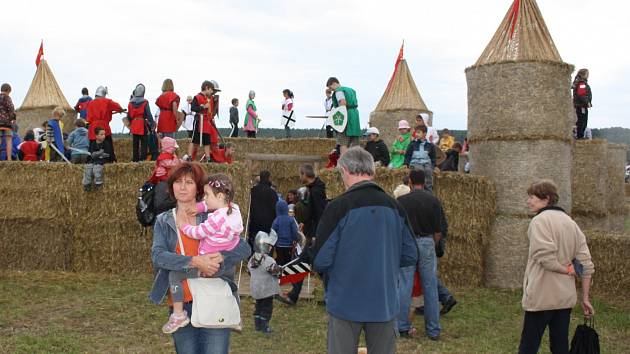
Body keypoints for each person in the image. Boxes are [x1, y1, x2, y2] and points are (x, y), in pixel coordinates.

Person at [307, 147, 417, 354]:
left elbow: (320, 259)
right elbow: (411, 254)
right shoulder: (395, 207)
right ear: (372, 172)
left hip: (345, 301)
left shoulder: (338, 207)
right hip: (383, 300)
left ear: (346, 170)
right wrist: (385, 260)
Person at [149, 162, 250, 354]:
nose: (183, 187)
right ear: (171, 186)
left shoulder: (215, 215)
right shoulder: (164, 220)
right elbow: (158, 256)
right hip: (182, 303)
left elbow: (245, 248)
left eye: (189, 182)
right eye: (178, 182)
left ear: (199, 187)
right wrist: (195, 261)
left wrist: (222, 257)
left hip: (214, 298)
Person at [518, 179, 595, 354]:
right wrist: (585, 297)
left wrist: (566, 269)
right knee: (560, 346)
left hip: (541, 295)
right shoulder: (571, 223)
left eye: (532, 197)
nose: (528, 201)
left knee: (528, 346)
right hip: (564, 297)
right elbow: (586, 264)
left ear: (546, 199)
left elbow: (545, 258)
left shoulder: (539, 221)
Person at [164, 173, 243, 334]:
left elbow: (198, 232)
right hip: (224, 264)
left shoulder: (216, 219)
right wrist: (197, 208)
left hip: (210, 263)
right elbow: (209, 205)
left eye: (206, 194)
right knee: (230, 283)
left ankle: (178, 315)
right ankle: (236, 315)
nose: (204, 198)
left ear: (220, 196)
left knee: (175, 276)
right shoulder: (233, 209)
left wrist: (183, 225)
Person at [396, 169, 443, 340]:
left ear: (409, 182)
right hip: (426, 241)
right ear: (424, 183)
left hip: (407, 242)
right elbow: (438, 231)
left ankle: (402, 327)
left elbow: (396, 227)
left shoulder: (401, 201)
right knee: (430, 286)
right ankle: (433, 329)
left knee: (404, 285)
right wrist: (432, 245)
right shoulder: (433, 200)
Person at [279, 164, 328, 305]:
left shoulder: (316, 191)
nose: (300, 177)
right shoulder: (313, 189)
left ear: (304, 174)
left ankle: (293, 296)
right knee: (315, 266)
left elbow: (321, 213)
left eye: (300, 175)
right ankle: (331, 295)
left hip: (316, 234)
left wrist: (316, 235)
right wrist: (305, 223)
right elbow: (313, 212)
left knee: (303, 263)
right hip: (313, 231)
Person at [248, 230, 282, 334]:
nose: (271, 247)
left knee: (258, 307)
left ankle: (257, 326)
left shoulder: (251, 259)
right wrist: (279, 269)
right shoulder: (269, 260)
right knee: (266, 309)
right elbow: (276, 273)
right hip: (267, 291)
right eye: (269, 245)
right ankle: (264, 327)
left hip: (256, 290)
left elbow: (249, 271)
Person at [86, 86, 123, 162]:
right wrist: (120, 110)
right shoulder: (107, 102)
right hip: (104, 126)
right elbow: (118, 107)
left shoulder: (90, 103)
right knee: (108, 146)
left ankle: (91, 162)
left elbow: (88, 118)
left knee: (92, 147)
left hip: (93, 128)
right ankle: (111, 161)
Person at [326, 77, 361, 155]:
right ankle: (356, 163)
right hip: (354, 116)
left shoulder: (339, 91)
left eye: (331, 87)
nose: (331, 90)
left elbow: (342, 103)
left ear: (334, 83)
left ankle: (343, 164)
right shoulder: (351, 90)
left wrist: (338, 116)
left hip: (346, 116)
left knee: (343, 142)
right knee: (355, 142)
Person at [247, 170, 278, 249]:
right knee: (265, 245)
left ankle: (253, 259)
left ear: (260, 178)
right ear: (269, 178)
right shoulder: (273, 193)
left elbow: (248, 206)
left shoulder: (252, 191)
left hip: (254, 222)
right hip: (268, 224)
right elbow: (276, 209)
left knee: (253, 243)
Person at [189, 81, 218, 162]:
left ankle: (208, 158)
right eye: (211, 90)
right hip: (199, 120)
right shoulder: (197, 97)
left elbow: (210, 111)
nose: (212, 92)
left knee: (207, 141)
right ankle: (190, 157)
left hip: (206, 121)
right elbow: (193, 108)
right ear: (206, 88)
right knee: (194, 140)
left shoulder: (209, 98)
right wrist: (203, 107)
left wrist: (211, 118)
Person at [404, 125, 437, 191]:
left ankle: (428, 191)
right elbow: (408, 155)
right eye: (416, 132)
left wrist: (433, 166)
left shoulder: (430, 145)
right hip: (415, 163)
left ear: (424, 134)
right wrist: (406, 163)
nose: (416, 134)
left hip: (426, 163)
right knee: (420, 171)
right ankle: (419, 190)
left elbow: (433, 157)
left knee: (428, 171)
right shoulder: (412, 144)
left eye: (419, 132)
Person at [128, 84, 155, 162]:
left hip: (134, 124)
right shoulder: (145, 102)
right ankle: (143, 159)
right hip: (141, 124)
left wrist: (131, 123)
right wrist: (152, 124)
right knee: (144, 143)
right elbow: (148, 114)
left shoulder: (130, 103)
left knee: (135, 144)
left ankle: (135, 160)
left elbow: (129, 115)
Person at [84, 127, 114, 191]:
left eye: (104, 134)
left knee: (97, 168)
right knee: (88, 168)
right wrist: (99, 153)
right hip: (93, 160)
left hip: (101, 161)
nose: (103, 136)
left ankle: (98, 183)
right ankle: (87, 184)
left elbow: (107, 154)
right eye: (101, 134)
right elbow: (91, 154)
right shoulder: (93, 144)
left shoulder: (106, 143)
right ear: (96, 136)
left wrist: (97, 154)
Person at [272, 199, 300, 266]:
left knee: (279, 261)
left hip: (279, 245)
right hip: (289, 245)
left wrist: (274, 243)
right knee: (288, 262)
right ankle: (286, 275)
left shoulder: (276, 220)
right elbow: (295, 232)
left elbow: (273, 232)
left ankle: (279, 274)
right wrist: (295, 240)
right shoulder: (291, 220)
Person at [572, 68, 592, 140]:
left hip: (581, 105)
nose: (588, 75)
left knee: (582, 121)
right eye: (587, 74)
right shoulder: (582, 83)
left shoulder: (581, 83)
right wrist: (587, 102)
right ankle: (579, 136)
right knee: (582, 121)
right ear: (583, 75)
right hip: (581, 105)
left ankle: (580, 135)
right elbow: (581, 94)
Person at [0, 83, 17, 161]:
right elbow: (11, 108)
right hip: (7, 123)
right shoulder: (7, 98)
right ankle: (9, 159)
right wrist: (13, 118)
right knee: (9, 140)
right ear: (8, 90)